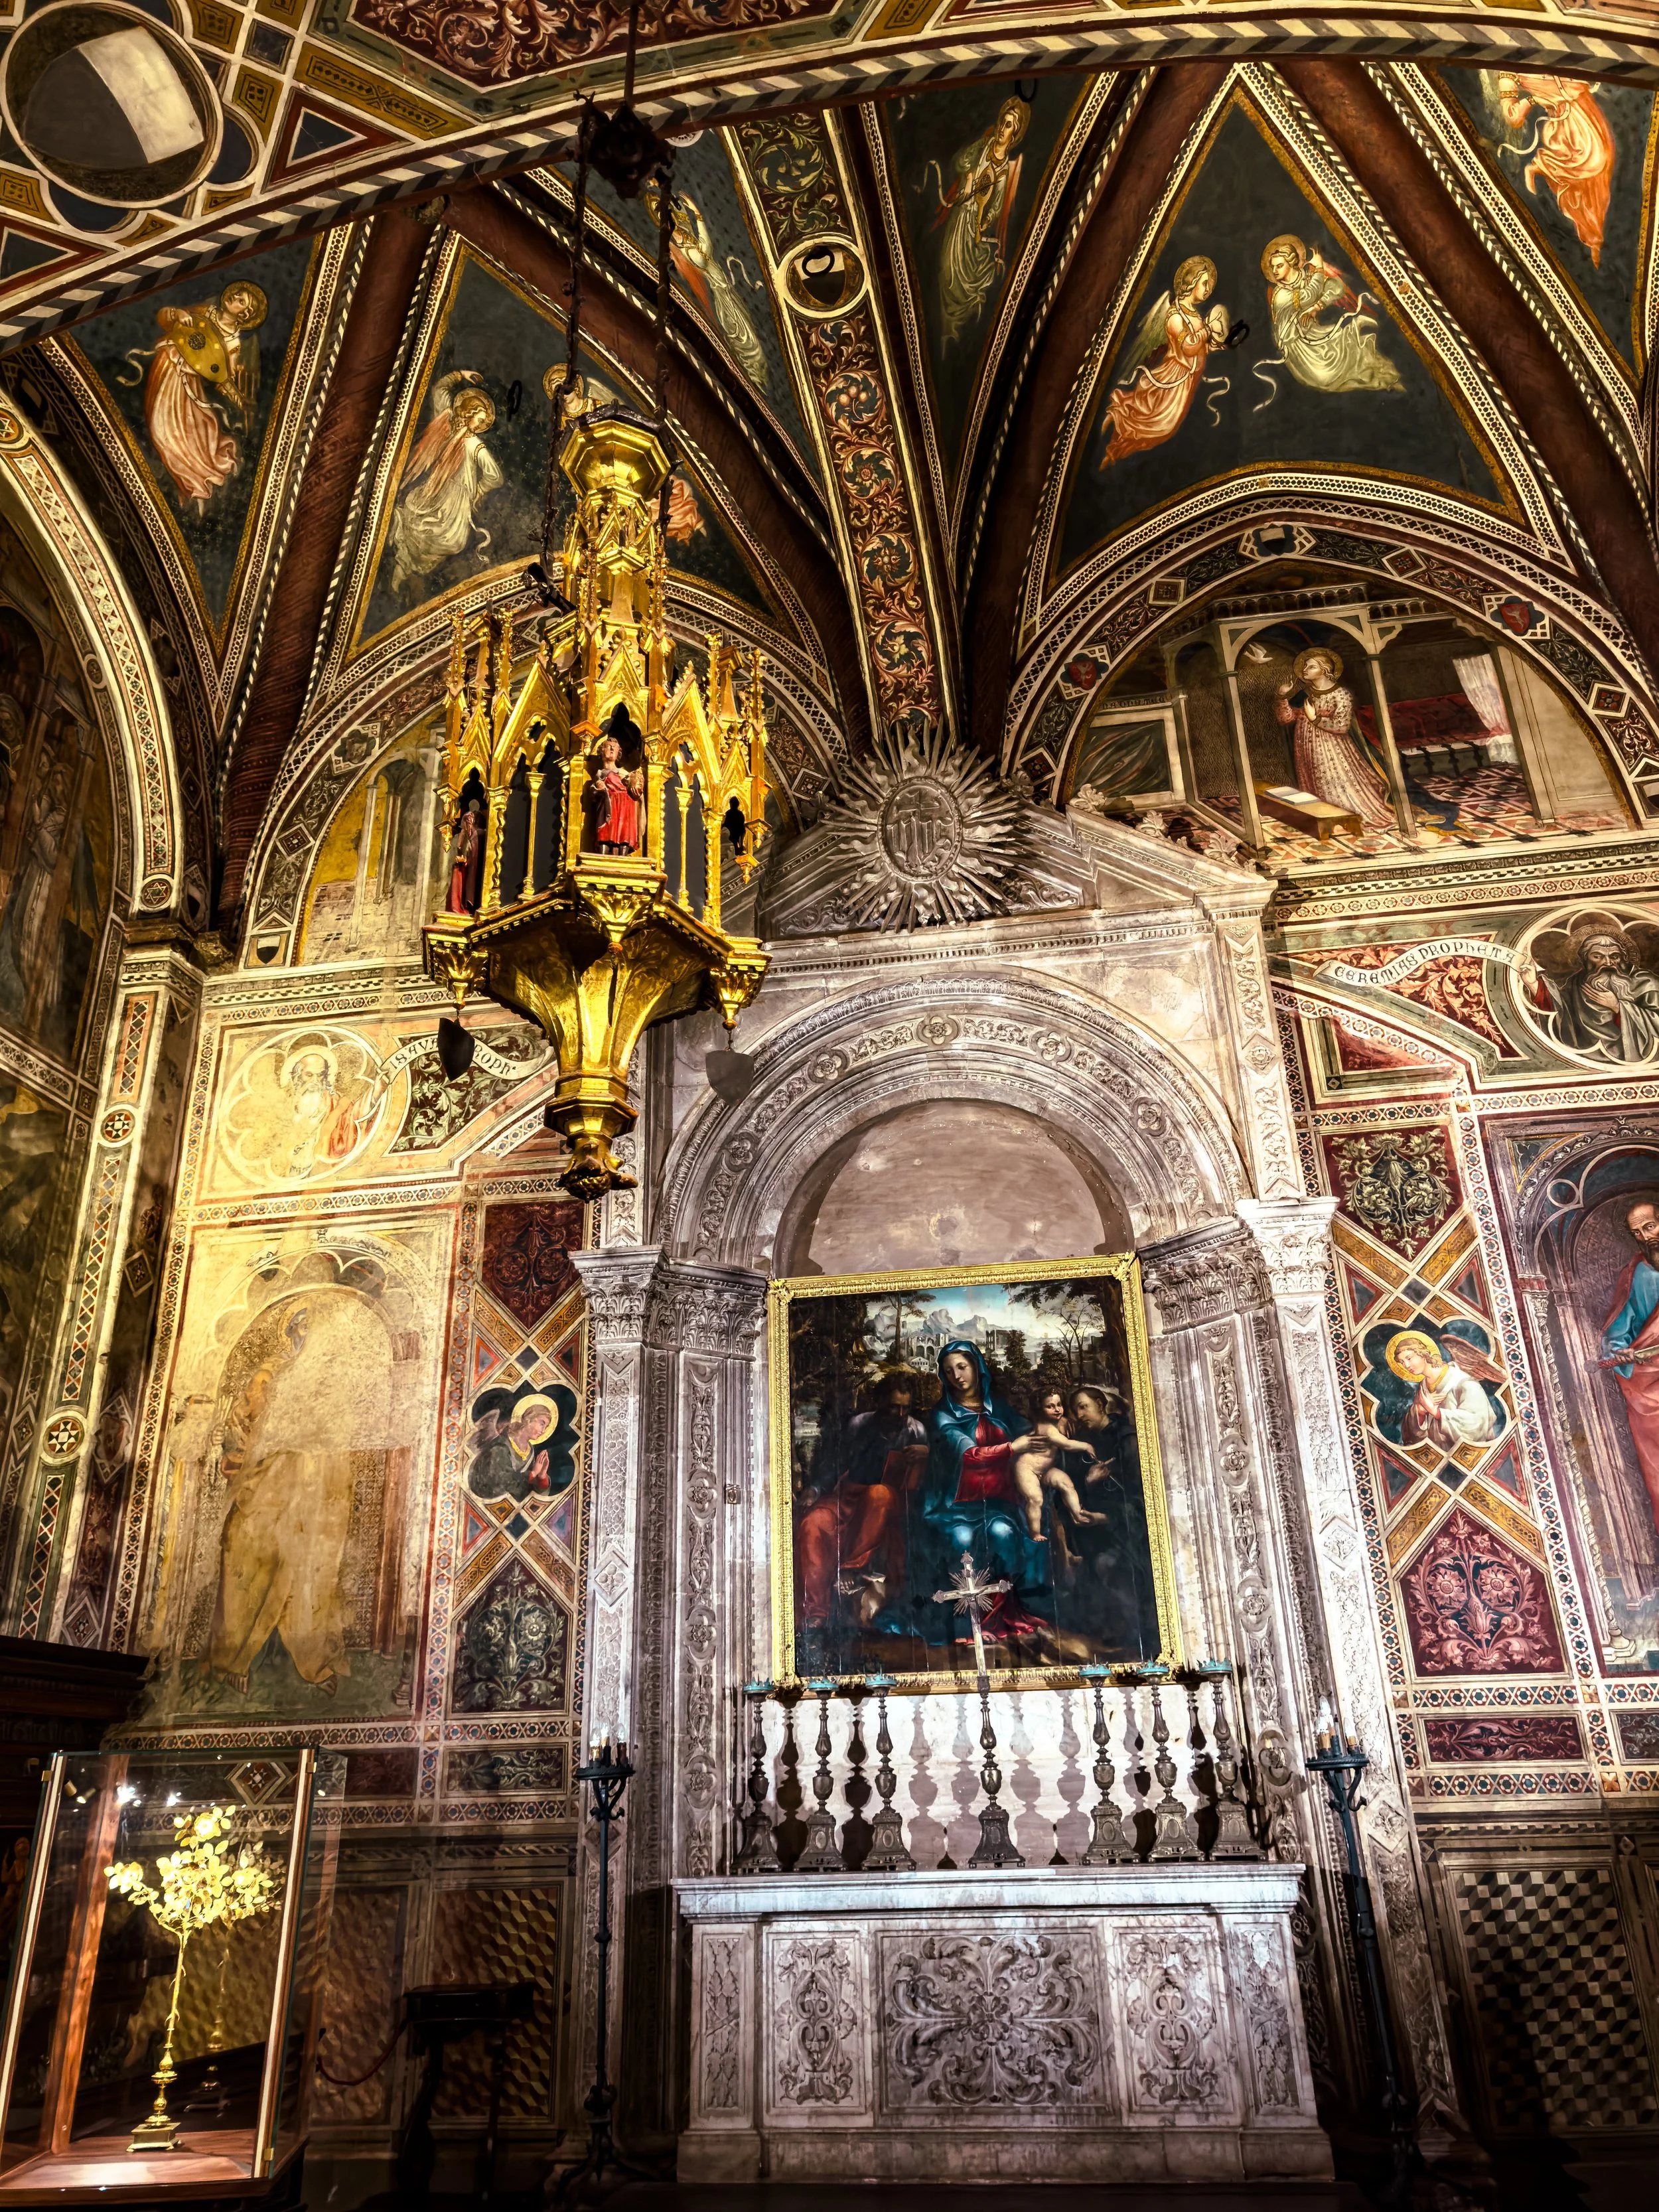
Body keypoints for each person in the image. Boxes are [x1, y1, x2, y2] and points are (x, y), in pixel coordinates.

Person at [920, 1341, 1049, 1648]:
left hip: (998, 1503)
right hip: (953, 1507)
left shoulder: (1000, 1408)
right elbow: (971, 1455)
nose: (957, 1376)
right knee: (962, 1542)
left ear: (976, 1366)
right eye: (949, 1371)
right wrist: (1013, 1447)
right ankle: (968, 1625)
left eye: (962, 1367)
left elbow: (1032, 1433)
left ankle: (998, 1619)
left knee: (1004, 1534)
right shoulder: (942, 1416)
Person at [796, 1374, 927, 1637]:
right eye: (893, 1406)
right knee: (813, 1523)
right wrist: (815, 1489)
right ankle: (816, 1615)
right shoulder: (859, 1425)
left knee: (879, 1495)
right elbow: (836, 1463)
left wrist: (926, 1454)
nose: (900, 1413)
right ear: (880, 1403)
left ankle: (851, 1570)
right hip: (849, 1497)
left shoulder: (917, 1431)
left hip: (891, 1502)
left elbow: (931, 1481)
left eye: (905, 1407)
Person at [129, 279, 267, 513]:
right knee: (159, 428)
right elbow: (163, 317)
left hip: (189, 382)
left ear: (246, 314)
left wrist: (235, 393)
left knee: (196, 433)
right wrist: (177, 314)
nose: (234, 298)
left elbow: (224, 373)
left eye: (241, 301)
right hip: (169, 366)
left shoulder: (233, 341)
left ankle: (194, 487)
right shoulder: (206, 311)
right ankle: (189, 487)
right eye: (237, 295)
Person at [1100, 256, 1230, 469]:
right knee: (1159, 425)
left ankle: (1116, 449)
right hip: (1173, 378)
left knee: (1163, 427)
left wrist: (1212, 346)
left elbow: (1197, 349)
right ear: (1192, 282)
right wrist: (1208, 329)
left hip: (1188, 381)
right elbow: (1188, 347)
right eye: (1205, 283)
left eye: (1209, 285)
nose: (1208, 289)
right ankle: (1117, 424)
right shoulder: (1174, 316)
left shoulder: (1195, 315)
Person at [926, 95, 1029, 346]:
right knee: (946, 269)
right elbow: (961, 160)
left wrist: (985, 222)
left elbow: (995, 205)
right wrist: (970, 174)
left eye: (1008, 127)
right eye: (1003, 123)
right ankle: (945, 323)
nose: (1003, 130)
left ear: (1014, 134)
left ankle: (954, 326)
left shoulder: (1004, 167)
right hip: (961, 213)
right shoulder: (984, 145)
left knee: (965, 278)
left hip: (974, 221)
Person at [389, 372, 501, 596]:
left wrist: (478, 490)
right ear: (467, 413)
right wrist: (459, 375)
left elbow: (495, 476)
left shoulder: (474, 445)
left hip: (457, 499)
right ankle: (403, 567)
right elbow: (439, 390)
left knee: (455, 542)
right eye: (478, 420)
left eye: (482, 423)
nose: (479, 426)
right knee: (421, 526)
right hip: (436, 488)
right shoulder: (447, 420)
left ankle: (408, 566)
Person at [1258, 235, 1404, 396]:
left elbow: (1336, 287)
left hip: (1316, 335)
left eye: (1279, 266)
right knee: (1324, 377)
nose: (1275, 271)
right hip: (1299, 348)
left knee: (1352, 349)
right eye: (1273, 268)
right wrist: (1319, 268)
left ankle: (1387, 379)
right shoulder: (1281, 295)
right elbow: (1310, 294)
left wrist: (1317, 307)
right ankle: (1378, 380)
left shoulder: (1306, 278)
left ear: (1292, 263)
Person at [1496, 75, 1615, 265]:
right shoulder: (1508, 74)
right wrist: (1532, 99)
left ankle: (1595, 238)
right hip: (1565, 125)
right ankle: (1539, 166)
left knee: (1598, 179)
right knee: (1596, 160)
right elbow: (1513, 117)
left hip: (1585, 108)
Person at [1275, 647, 1395, 830]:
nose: (1305, 670)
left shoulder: (1341, 694)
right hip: (1305, 746)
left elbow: (1341, 726)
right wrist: (1282, 696)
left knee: (1333, 779)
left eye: (1311, 667)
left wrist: (1315, 718)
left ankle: (1348, 816)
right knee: (1313, 780)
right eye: (1305, 666)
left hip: (1332, 748)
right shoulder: (1303, 695)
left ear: (1325, 670)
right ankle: (1325, 818)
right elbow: (1286, 718)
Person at [1600, 1199, 1659, 1534]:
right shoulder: (1637, 1274)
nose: (1646, 1237)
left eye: (1650, 1227)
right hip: (1650, 1381)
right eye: (1638, 1233)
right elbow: (1620, 1328)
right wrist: (1621, 1352)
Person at [1386, 1329, 1500, 1451]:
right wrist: (1420, 1412)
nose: (1407, 1366)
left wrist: (1436, 1413)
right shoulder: (1423, 1388)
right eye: (1402, 1362)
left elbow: (1478, 1423)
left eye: (1409, 1358)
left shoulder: (1463, 1382)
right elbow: (1410, 1437)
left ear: (1423, 1353)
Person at [1009, 1396, 1106, 1538]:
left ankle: (1078, 1514)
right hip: (1027, 1470)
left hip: (1045, 1469)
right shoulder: (1046, 1428)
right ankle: (1035, 1533)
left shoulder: (1055, 1424)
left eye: (1059, 1405)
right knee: (1036, 1499)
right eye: (1050, 1406)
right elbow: (1066, 1444)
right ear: (1040, 1410)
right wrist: (1086, 1446)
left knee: (1066, 1483)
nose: (1057, 1409)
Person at [589, 727, 644, 854]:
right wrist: (597, 788)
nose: (612, 749)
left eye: (615, 747)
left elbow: (636, 791)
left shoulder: (625, 773)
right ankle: (603, 853)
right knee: (605, 834)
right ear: (601, 751)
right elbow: (593, 794)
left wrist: (638, 792)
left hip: (626, 807)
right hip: (609, 806)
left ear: (619, 752)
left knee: (624, 834)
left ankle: (622, 853)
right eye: (608, 746)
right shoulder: (599, 774)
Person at [447, 795, 484, 914]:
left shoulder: (480, 833)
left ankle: (470, 902)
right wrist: (461, 857)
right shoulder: (467, 832)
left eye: (469, 821)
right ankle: (467, 902)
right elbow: (459, 846)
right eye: (466, 821)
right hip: (469, 863)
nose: (468, 824)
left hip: (475, 863)